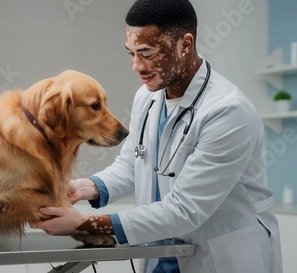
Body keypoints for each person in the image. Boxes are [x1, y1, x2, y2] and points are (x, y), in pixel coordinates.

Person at [30, 0, 283, 272]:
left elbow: (185, 210)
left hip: (220, 257)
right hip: (162, 255)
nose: (136, 66)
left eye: (147, 53)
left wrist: (84, 224)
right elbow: (132, 165)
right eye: (131, 54)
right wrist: (83, 188)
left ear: (184, 45)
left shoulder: (228, 112)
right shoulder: (147, 98)